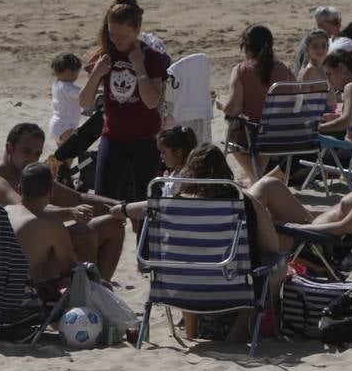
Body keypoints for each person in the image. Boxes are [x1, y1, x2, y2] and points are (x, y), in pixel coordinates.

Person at [110, 144, 279, 343]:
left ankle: (191, 331)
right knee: (274, 265)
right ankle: (241, 328)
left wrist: (119, 209)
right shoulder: (245, 202)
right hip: (231, 289)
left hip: (181, 289)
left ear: (189, 171)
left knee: (187, 263)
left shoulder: (168, 204)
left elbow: (132, 209)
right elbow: (272, 248)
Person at [0, 122, 127, 282]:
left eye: (37, 154)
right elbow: (29, 210)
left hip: (40, 244)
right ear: (9, 148)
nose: (32, 159)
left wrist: (123, 207)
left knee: (113, 225)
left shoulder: (28, 173)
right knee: (84, 235)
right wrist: (71, 213)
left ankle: (99, 294)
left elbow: (78, 198)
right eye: (27, 151)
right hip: (14, 263)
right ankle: (88, 294)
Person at [249, 131, 352, 252]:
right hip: (315, 229)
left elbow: (347, 227)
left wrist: (293, 228)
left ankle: (231, 219)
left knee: (267, 187)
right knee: (270, 185)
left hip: (315, 242)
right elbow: (344, 218)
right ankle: (236, 215)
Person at [79, 0, 170, 202]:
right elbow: (84, 102)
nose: (117, 40)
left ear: (136, 30)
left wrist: (139, 67)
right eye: (112, 34)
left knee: (144, 203)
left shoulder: (151, 57)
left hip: (145, 139)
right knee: (103, 199)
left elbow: (151, 102)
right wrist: (96, 74)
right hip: (113, 138)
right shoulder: (106, 54)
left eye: (123, 35)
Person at [223, 24, 295, 178]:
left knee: (233, 131)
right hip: (286, 132)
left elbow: (233, 109)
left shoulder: (241, 70)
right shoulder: (283, 69)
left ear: (246, 47)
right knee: (267, 130)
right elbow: (295, 99)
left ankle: (256, 179)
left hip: (257, 132)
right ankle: (256, 179)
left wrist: (222, 106)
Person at [5, 163, 80, 284]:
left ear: (19, 189)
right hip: (17, 297)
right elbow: (72, 268)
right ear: (51, 193)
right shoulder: (50, 224)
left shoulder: (5, 211)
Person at [318, 49, 352, 143]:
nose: (329, 81)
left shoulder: (351, 87)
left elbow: (347, 121)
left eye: (329, 74)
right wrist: (337, 117)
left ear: (341, 67)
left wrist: (317, 128)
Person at [292, 6, 343, 74]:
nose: (340, 25)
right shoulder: (312, 40)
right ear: (322, 23)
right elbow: (304, 70)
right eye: (335, 22)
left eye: (340, 21)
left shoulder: (325, 38)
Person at [48, 53, 83, 145]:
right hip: (66, 126)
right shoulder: (67, 87)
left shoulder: (56, 84)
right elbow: (84, 94)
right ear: (68, 72)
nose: (77, 76)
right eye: (77, 72)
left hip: (57, 124)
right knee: (69, 154)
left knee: (62, 155)